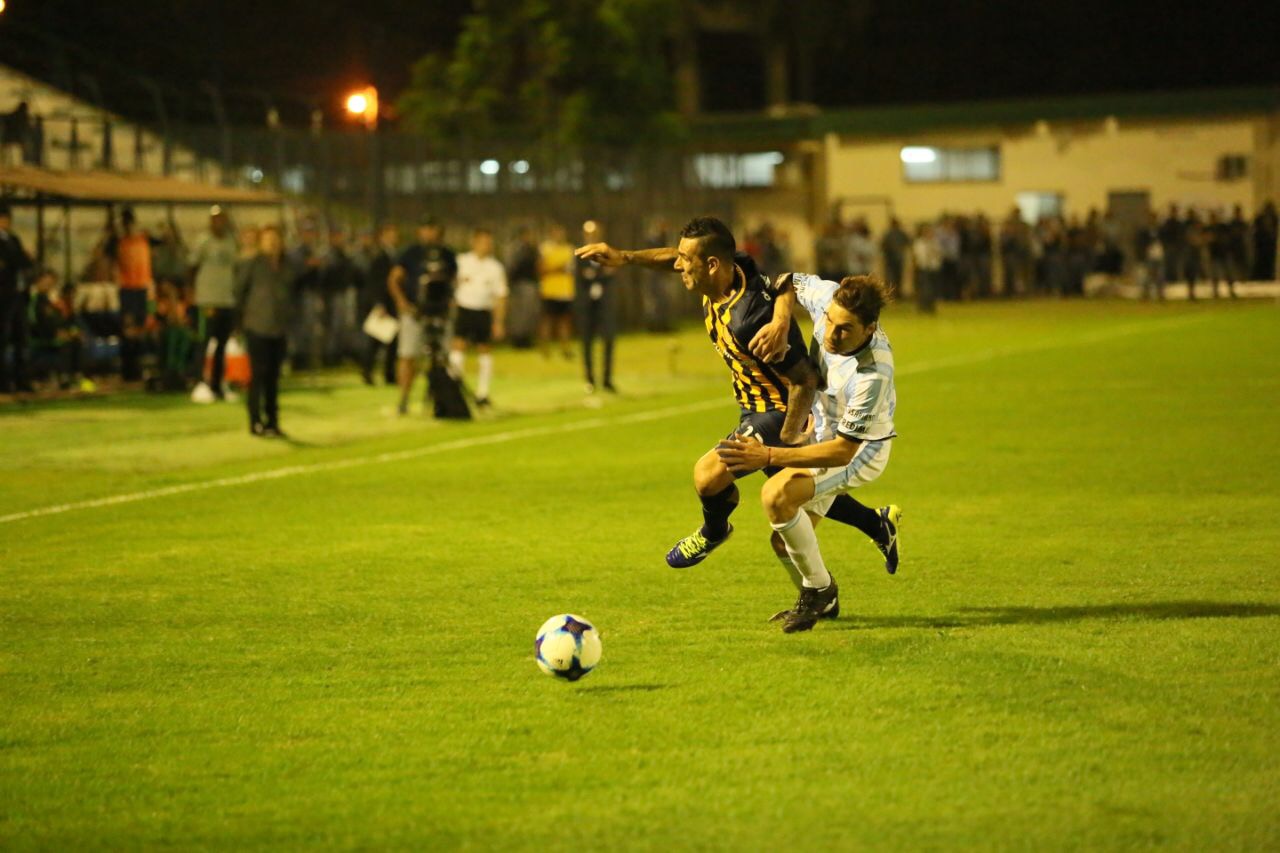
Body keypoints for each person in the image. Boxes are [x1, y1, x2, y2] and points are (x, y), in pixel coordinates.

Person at [575, 216, 818, 569]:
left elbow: (804, 380)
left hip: (780, 411)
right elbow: (674, 259)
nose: (678, 264)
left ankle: (713, 531)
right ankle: (877, 523)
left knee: (708, 475)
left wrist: (790, 440)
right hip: (752, 407)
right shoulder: (726, 273)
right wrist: (624, 257)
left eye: (686, 260)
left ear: (713, 264)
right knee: (800, 511)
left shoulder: (749, 316)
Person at [716, 274, 900, 633]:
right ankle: (872, 531)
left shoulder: (873, 374)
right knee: (783, 542)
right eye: (829, 321)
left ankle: (818, 590)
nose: (830, 335)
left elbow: (842, 451)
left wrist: (767, 456)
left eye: (844, 330)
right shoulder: (826, 297)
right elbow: (783, 280)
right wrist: (782, 318)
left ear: (870, 328)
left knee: (777, 494)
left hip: (862, 449)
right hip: (823, 431)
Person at [387, 218, 457, 415]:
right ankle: (403, 399)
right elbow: (394, 279)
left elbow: (453, 280)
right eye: (426, 228)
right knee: (408, 355)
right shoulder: (411, 253)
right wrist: (402, 302)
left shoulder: (447, 254)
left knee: (442, 357)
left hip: (440, 312)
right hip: (416, 312)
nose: (429, 232)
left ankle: (441, 397)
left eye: (433, 228)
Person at [234, 225, 295, 437]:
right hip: (256, 326)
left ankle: (273, 421)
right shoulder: (252, 264)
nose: (273, 243)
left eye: (276, 239)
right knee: (257, 376)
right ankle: (255, 421)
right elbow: (239, 292)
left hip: (278, 328)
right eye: (268, 239)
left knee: (273, 377)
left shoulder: (286, 265)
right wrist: (240, 322)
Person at [450, 228, 508, 407]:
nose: (486, 245)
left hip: (483, 311)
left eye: (489, 242)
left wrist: (499, 322)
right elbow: (450, 287)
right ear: (474, 242)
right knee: (458, 348)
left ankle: (482, 393)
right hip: (464, 309)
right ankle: (455, 390)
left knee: (485, 350)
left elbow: (501, 296)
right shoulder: (461, 262)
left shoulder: (495, 267)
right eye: (483, 241)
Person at [190, 206, 239, 400]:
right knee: (203, 342)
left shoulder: (231, 242)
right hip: (207, 300)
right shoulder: (203, 241)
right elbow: (192, 266)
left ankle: (218, 384)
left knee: (222, 344)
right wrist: (192, 293)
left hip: (226, 299)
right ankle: (199, 383)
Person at [575, 220, 618, 393]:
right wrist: (598, 274)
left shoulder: (606, 253)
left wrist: (594, 275)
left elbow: (611, 271)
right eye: (588, 234)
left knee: (608, 339)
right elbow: (580, 276)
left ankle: (607, 380)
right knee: (586, 342)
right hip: (586, 304)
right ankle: (590, 380)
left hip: (605, 303)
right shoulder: (579, 254)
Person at [359, 223, 400, 385]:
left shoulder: (396, 255)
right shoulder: (379, 257)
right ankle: (367, 371)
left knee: (393, 341)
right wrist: (378, 303)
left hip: (393, 303)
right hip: (383, 304)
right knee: (375, 341)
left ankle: (389, 373)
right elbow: (374, 282)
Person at [0, 202, 34, 392]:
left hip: (19, 296)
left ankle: (23, 381)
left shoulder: (13, 239)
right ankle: (4, 383)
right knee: (3, 341)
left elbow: (24, 262)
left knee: (22, 340)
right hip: (4, 298)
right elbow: (13, 262)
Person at [112, 207, 156, 330]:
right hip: (126, 287)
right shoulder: (119, 242)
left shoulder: (144, 239)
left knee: (143, 320)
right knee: (128, 320)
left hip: (142, 287)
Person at [538, 224, 575, 360]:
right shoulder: (545, 249)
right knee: (547, 322)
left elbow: (572, 269)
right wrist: (558, 268)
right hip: (549, 291)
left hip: (566, 291)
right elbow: (541, 269)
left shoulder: (569, 249)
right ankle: (544, 351)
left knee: (564, 322)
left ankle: (565, 349)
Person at [1206, 210, 1237, 299]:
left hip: (1223, 253)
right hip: (1214, 254)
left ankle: (1231, 290)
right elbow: (1206, 239)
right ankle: (1215, 292)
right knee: (1215, 275)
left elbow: (1228, 238)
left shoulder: (1222, 227)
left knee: (1228, 274)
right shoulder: (1208, 228)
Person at [879, 217, 910, 290]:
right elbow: (908, 243)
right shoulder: (901, 233)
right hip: (896, 258)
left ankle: (893, 292)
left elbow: (882, 245)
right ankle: (897, 291)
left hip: (890, 259)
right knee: (896, 276)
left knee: (892, 277)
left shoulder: (888, 234)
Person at [1253, 201, 1278, 281]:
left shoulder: (1273, 218)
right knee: (1263, 262)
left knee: (1267, 262)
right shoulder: (1261, 218)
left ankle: (1267, 276)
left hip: (1268, 244)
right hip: (1263, 244)